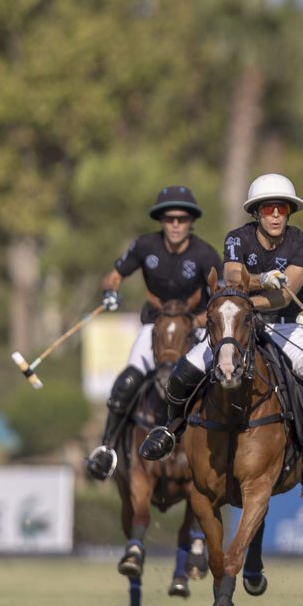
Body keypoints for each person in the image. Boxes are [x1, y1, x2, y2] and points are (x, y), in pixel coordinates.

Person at [139, 173, 303, 503]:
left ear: (289, 212)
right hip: (233, 325)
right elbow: (232, 274)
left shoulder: (302, 245)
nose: (276, 215)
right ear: (256, 213)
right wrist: (261, 280)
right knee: (182, 374)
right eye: (269, 209)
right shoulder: (237, 238)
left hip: (283, 325)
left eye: (282, 208)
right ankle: (167, 430)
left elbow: (284, 294)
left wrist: (248, 301)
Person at [84, 186, 222, 481]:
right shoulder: (145, 246)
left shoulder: (205, 254)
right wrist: (110, 292)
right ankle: (107, 449)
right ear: (161, 220)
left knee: (215, 384)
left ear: (190, 222)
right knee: (126, 382)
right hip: (154, 327)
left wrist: (198, 322)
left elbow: (220, 296)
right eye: (169, 218)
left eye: (182, 219)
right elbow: (114, 275)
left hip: (193, 329)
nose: (175, 224)